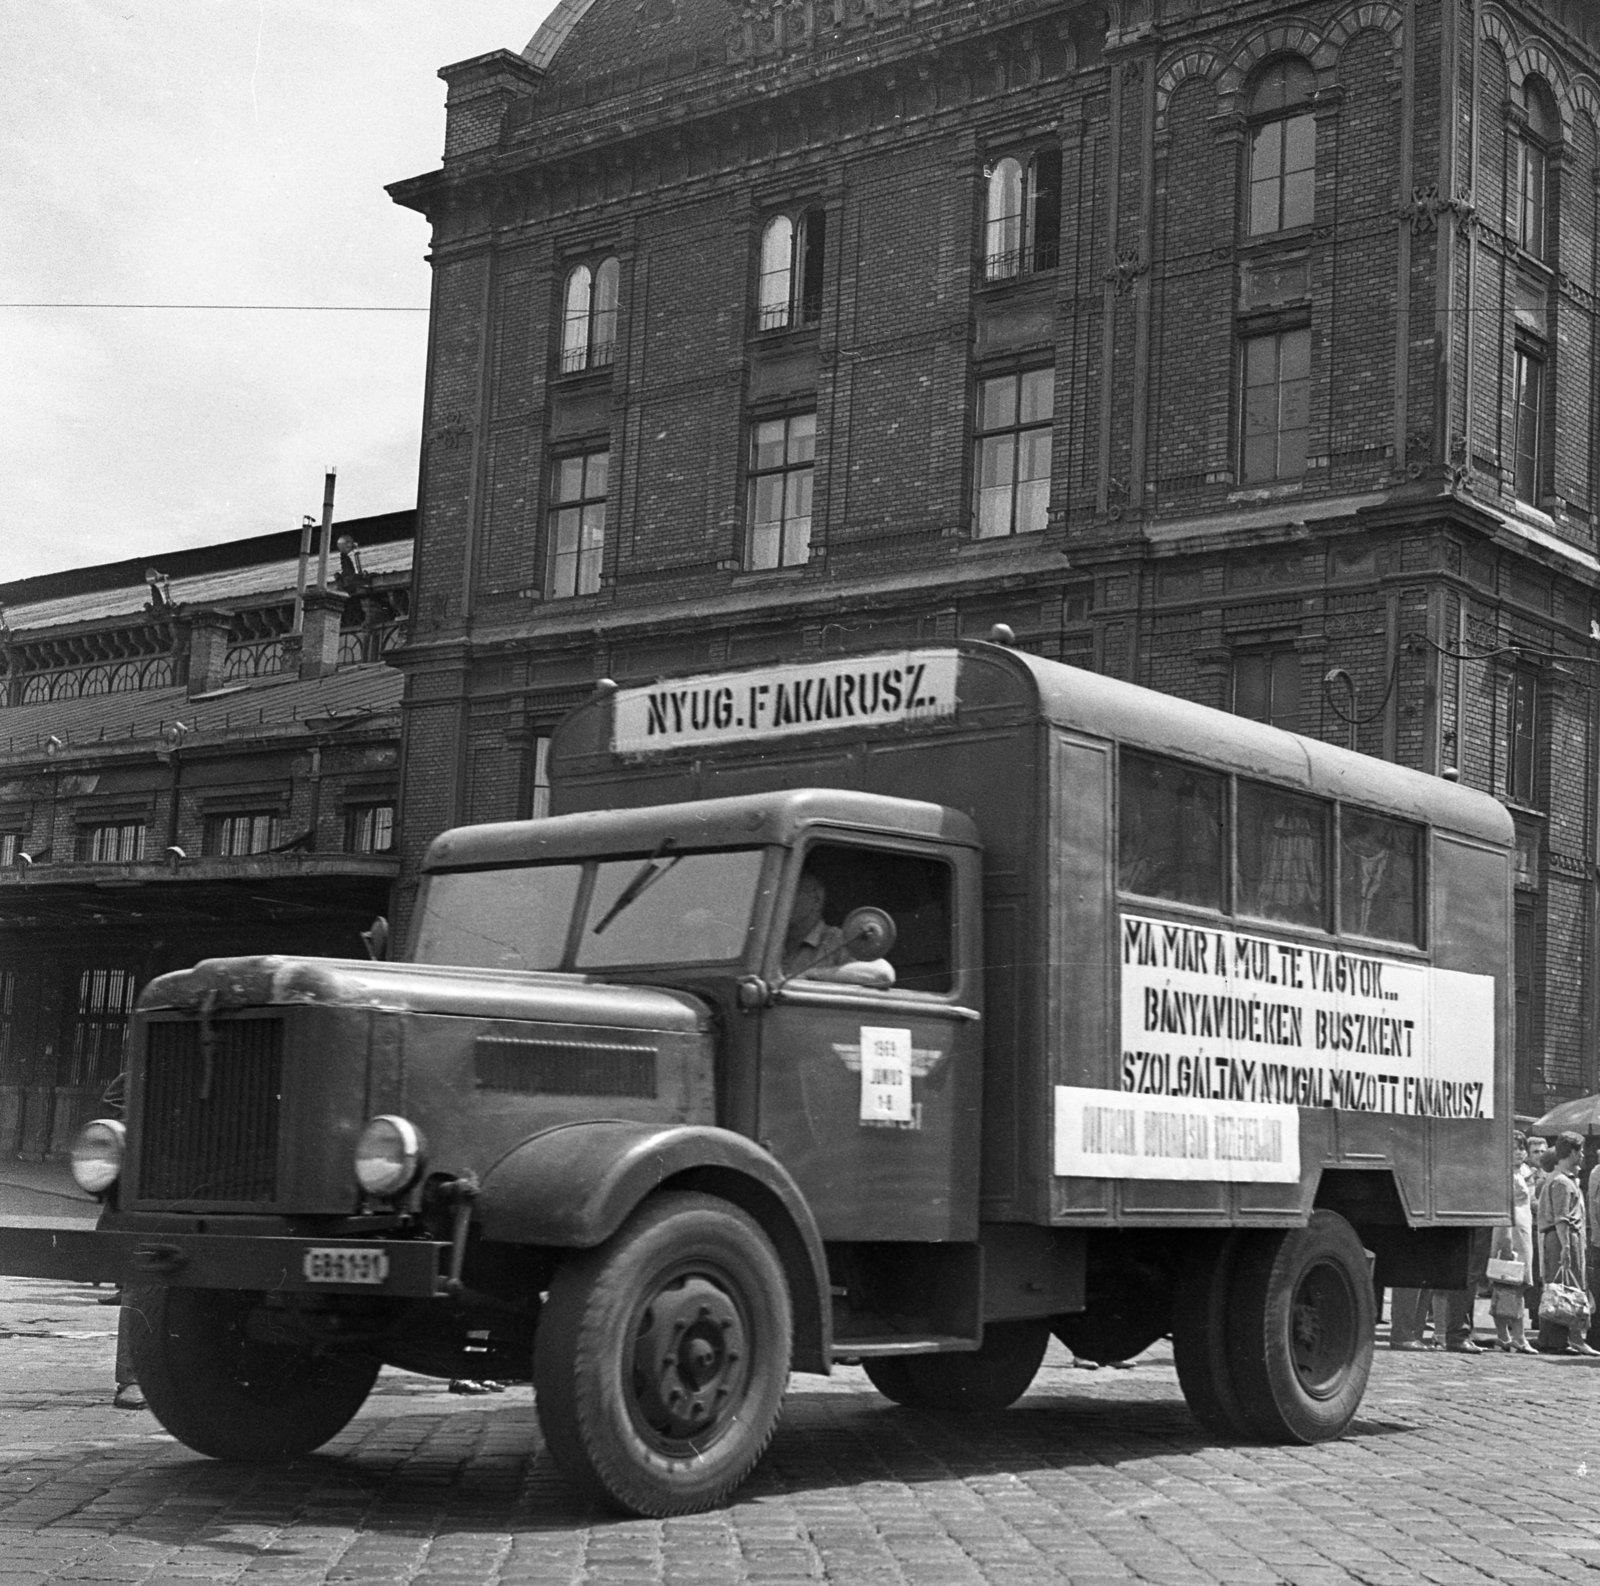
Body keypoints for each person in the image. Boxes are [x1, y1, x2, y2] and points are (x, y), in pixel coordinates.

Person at [1536, 1131, 1600, 1355]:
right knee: (1567, 1289)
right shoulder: (1562, 1182)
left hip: (1565, 1236)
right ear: (1572, 1152)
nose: (1582, 1155)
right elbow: (1561, 1217)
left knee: (1560, 1288)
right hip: (1564, 1237)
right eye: (1580, 1151)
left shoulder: (1561, 1178)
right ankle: (1569, 1339)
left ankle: (1555, 1339)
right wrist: (1565, 1247)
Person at [782, 873, 894, 988]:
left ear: (817, 898)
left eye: (790, 891)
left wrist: (811, 974)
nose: (780, 899)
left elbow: (883, 974)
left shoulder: (837, 940)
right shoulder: (771, 938)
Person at [1490, 1130, 1537, 1354]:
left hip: (1524, 1231)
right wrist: (1506, 1238)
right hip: (1510, 1231)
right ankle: (1511, 1335)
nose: (1519, 1152)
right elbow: (1504, 1206)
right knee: (1507, 1282)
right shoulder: (1505, 1174)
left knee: (1517, 1284)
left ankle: (1509, 1335)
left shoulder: (1524, 1173)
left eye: (1521, 1148)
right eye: (1514, 1148)